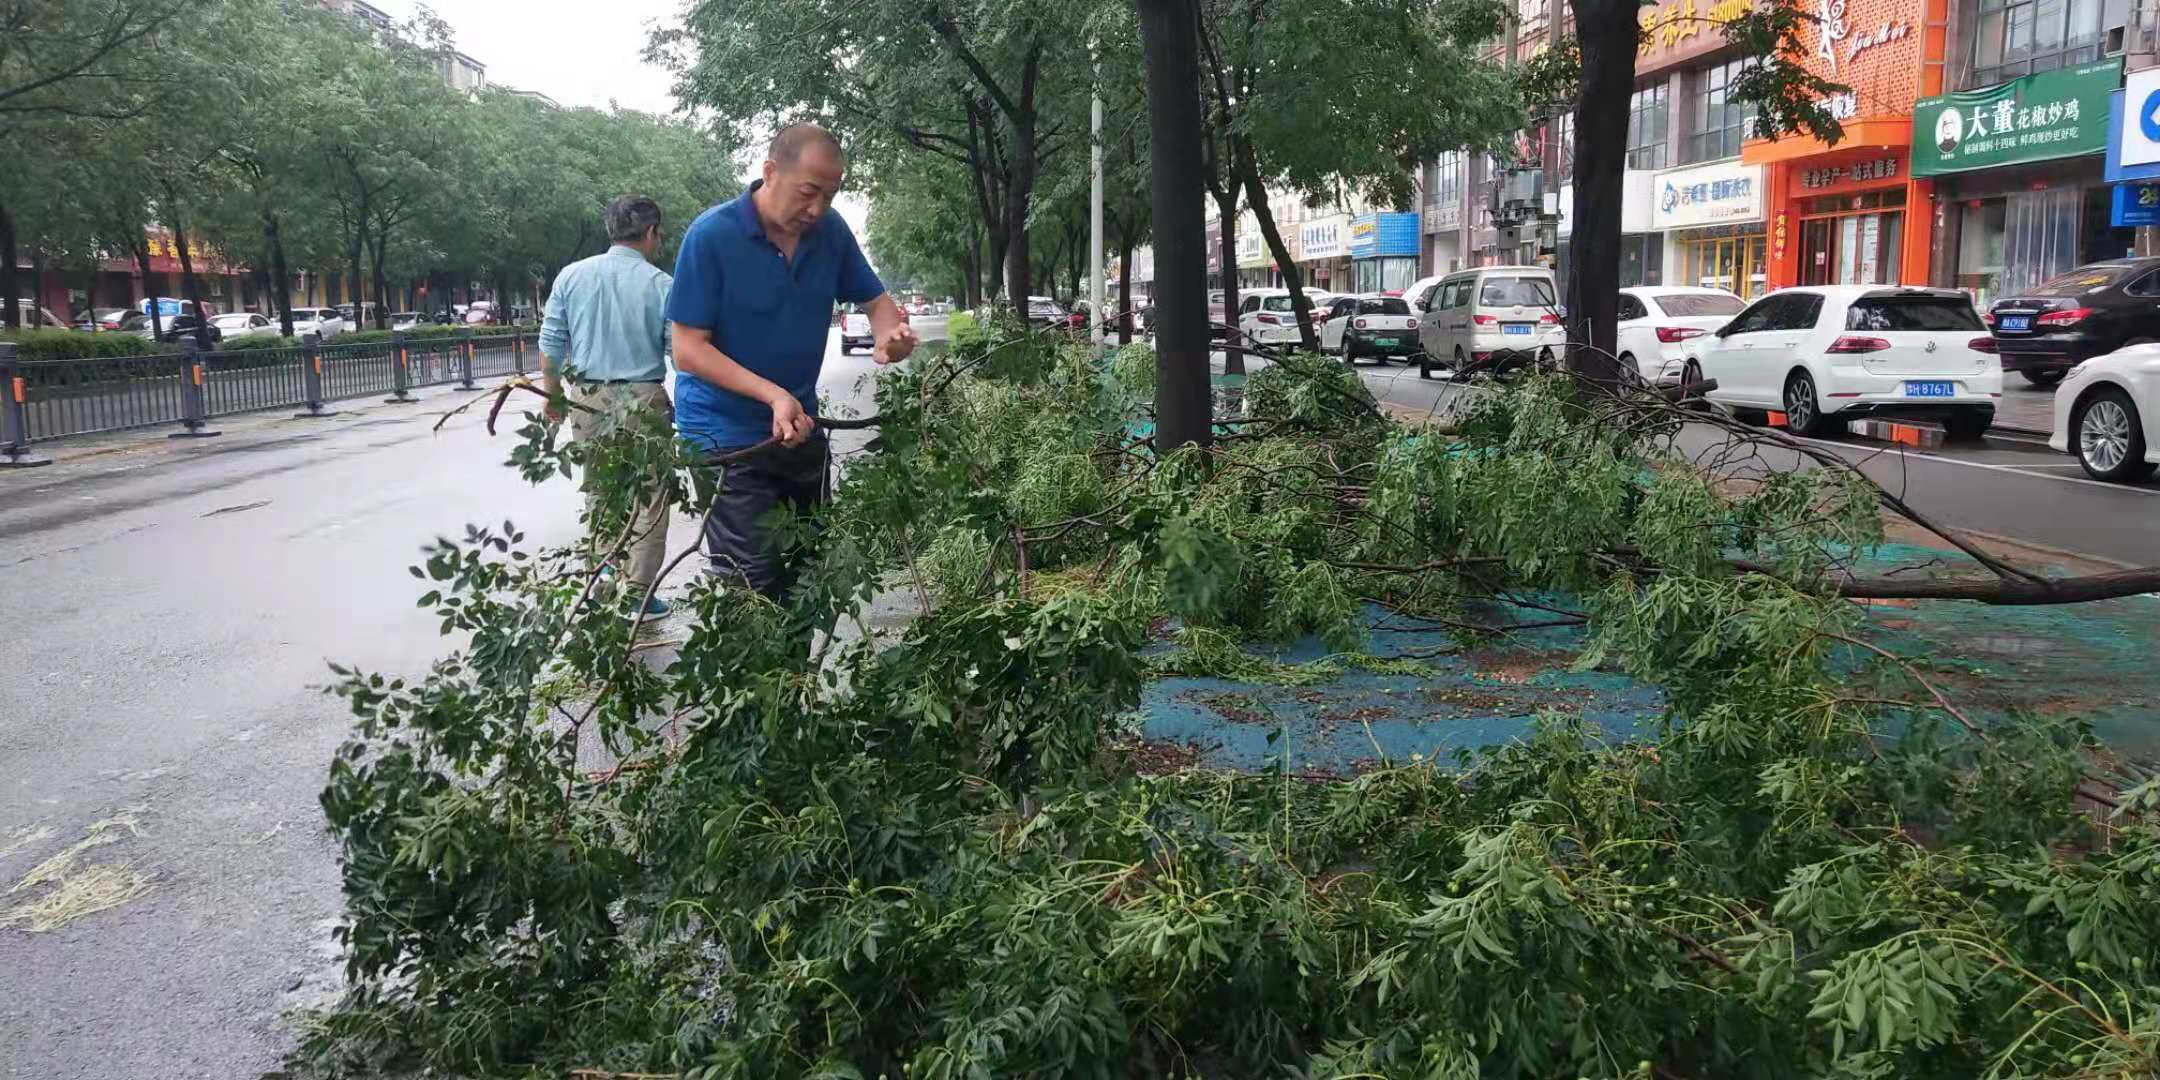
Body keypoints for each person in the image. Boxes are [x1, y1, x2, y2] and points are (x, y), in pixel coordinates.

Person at [667, 124, 917, 603]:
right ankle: (761, 677)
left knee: (808, 578)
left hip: (799, 427)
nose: (817, 208)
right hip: (728, 439)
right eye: (809, 192)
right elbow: (688, 350)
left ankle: (794, 679)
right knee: (755, 589)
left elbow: (877, 303)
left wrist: (891, 337)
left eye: (830, 194)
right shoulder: (711, 237)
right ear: (770, 172)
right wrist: (772, 394)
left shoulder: (830, 232)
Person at [538, 194, 678, 617]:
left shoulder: (570, 276)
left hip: (587, 399)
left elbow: (551, 344)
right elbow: (679, 353)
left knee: (600, 493)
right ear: (651, 233)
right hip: (643, 400)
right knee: (650, 498)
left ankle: (602, 586)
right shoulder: (663, 285)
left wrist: (554, 397)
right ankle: (637, 596)